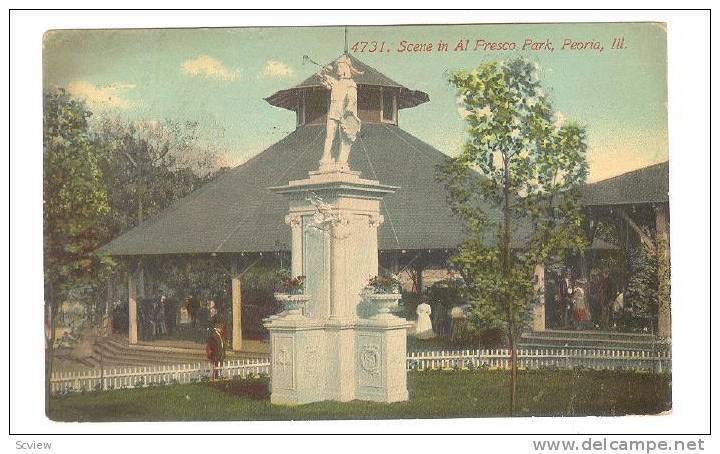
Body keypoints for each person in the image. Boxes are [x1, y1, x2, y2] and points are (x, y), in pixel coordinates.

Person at [317, 54, 364, 170]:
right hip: (333, 113)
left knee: (345, 138)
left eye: (340, 66)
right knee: (329, 136)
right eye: (337, 66)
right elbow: (321, 79)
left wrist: (348, 108)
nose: (338, 69)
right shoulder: (335, 82)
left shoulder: (351, 84)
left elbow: (352, 98)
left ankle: (342, 161)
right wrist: (323, 71)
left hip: (344, 115)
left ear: (345, 68)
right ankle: (325, 159)